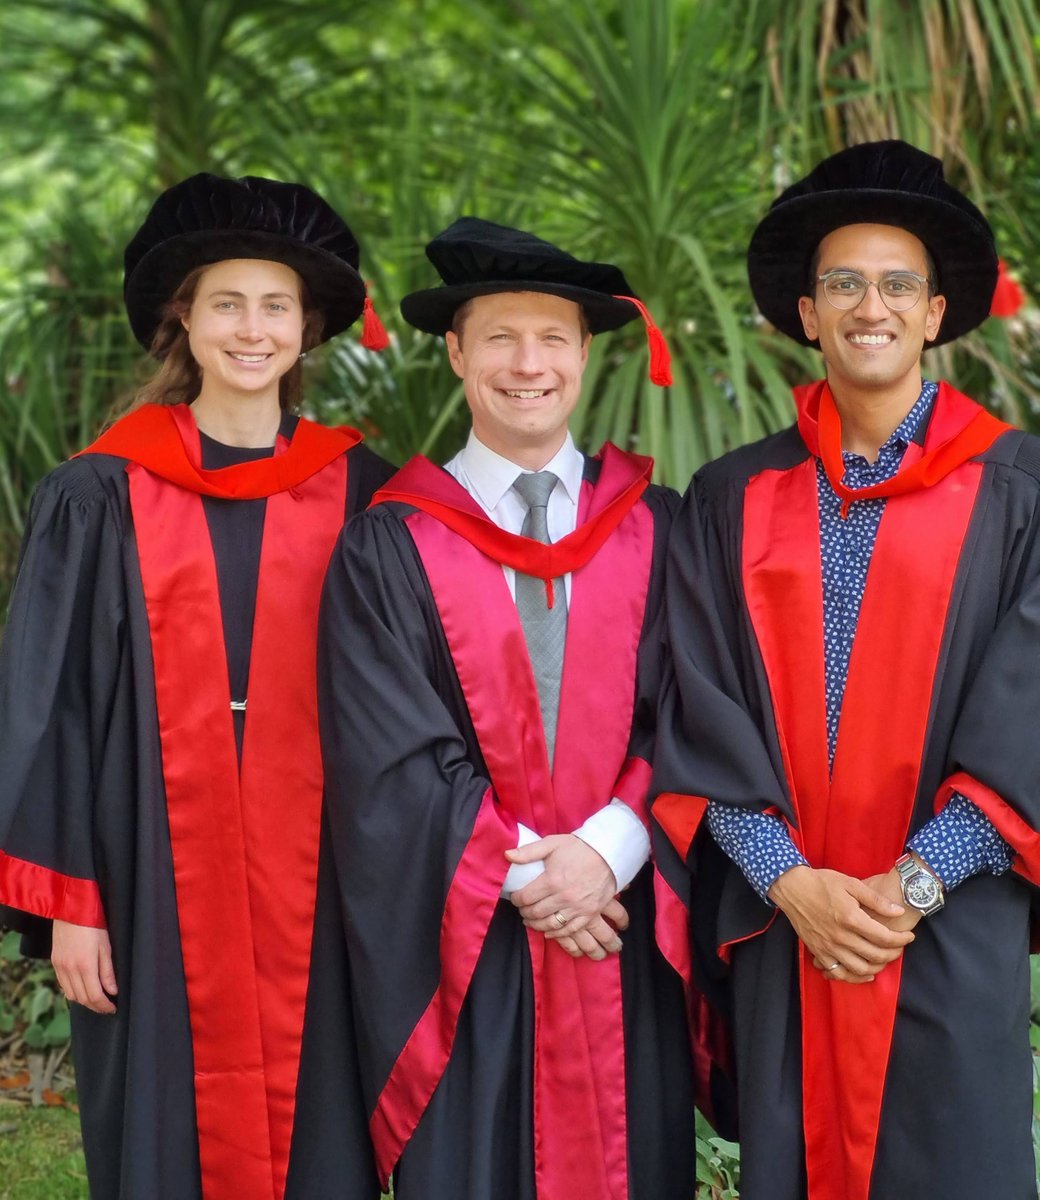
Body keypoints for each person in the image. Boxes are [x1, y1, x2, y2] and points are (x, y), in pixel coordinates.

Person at [653, 139, 1040, 1200]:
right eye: (841, 284)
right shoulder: (729, 497)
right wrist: (793, 885)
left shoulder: (1018, 489)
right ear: (806, 313)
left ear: (932, 312)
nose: (868, 304)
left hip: (949, 926)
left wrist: (900, 893)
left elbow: (1030, 713)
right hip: (789, 928)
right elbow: (697, 708)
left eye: (894, 284)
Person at [0, 173, 394, 1200]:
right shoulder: (99, 492)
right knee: (161, 1120)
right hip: (144, 865)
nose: (251, 330)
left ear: (308, 327)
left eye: (274, 307)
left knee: (322, 1118)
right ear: (184, 317)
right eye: (227, 303)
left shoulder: (364, 491)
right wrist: (70, 904)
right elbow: (54, 705)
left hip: (320, 871)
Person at [317, 217, 699, 1200]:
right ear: (454, 352)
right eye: (497, 337)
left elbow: (700, 708)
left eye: (551, 338)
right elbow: (388, 750)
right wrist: (528, 876)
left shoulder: (657, 526)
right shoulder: (391, 544)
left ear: (582, 354)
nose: (525, 364)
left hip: (619, 923)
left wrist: (605, 852)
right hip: (469, 938)